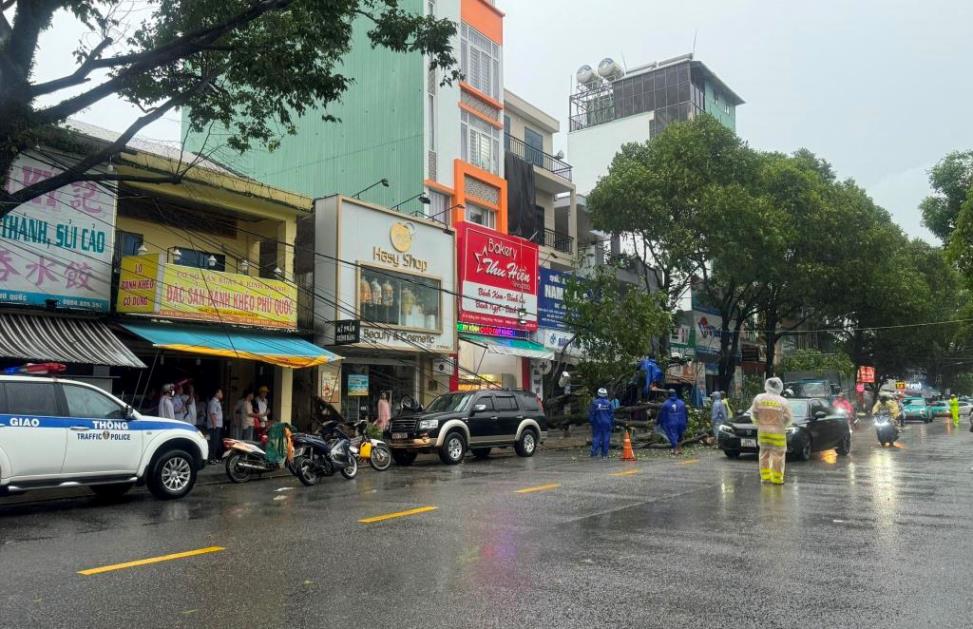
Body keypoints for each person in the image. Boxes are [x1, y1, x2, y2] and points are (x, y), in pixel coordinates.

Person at [749, 377, 794, 485]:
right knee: (778, 456)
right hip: (777, 433)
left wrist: (761, 421)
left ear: (767, 385)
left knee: (763, 454)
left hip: (763, 432)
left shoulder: (759, 398)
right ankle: (777, 479)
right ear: (780, 387)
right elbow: (788, 417)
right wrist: (780, 422)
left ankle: (765, 477)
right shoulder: (783, 401)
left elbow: (754, 413)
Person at [657, 389, 688, 455]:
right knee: (680, 435)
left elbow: (661, 414)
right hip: (681, 422)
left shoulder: (665, 403)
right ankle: (680, 449)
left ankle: (675, 450)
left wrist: (658, 422)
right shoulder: (682, 402)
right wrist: (686, 421)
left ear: (668, 394)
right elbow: (686, 413)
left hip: (671, 423)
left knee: (672, 436)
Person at [588, 387, 614, 459]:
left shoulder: (594, 403)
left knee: (596, 438)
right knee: (606, 438)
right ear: (606, 394)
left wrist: (591, 422)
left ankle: (594, 453)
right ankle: (604, 454)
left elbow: (592, 414)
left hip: (597, 423)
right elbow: (611, 415)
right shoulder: (609, 403)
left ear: (598, 394)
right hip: (607, 423)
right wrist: (611, 424)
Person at [208, 389, 224, 463]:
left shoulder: (217, 402)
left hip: (217, 425)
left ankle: (214, 457)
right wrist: (214, 425)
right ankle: (211, 459)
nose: (221, 394)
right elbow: (212, 414)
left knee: (216, 442)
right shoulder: (213, 402)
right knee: (213, 442)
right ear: (216, 393)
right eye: (220, 392)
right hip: (214, 426)